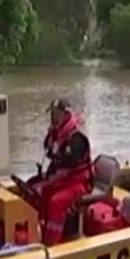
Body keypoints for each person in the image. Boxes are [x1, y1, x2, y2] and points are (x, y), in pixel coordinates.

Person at [31, 98, 93, 246]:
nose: (53, 117)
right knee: (35, 191)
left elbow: (65, 170)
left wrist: (45, 185)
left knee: (55, 202)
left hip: (78, 182)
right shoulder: (55, 134)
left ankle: (53, 243)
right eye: (52, 113)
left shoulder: (76, 139)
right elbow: (50, 154)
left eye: (57, 114)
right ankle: (38, 232)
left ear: (66, 115)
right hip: (61, 179)